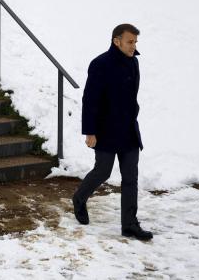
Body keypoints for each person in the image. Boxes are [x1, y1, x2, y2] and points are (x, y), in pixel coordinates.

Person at [72, 24, 154, 241]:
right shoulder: (100, 64)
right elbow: (90, 100)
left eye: (135, 42)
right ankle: (79, 199)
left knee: (130, 178)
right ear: (116, 41)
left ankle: (129, 225)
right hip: (106, 131)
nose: (133, 46)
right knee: (103, 172)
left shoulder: (134, 62)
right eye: (130, 41)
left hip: (128, 131)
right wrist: (90, 131)